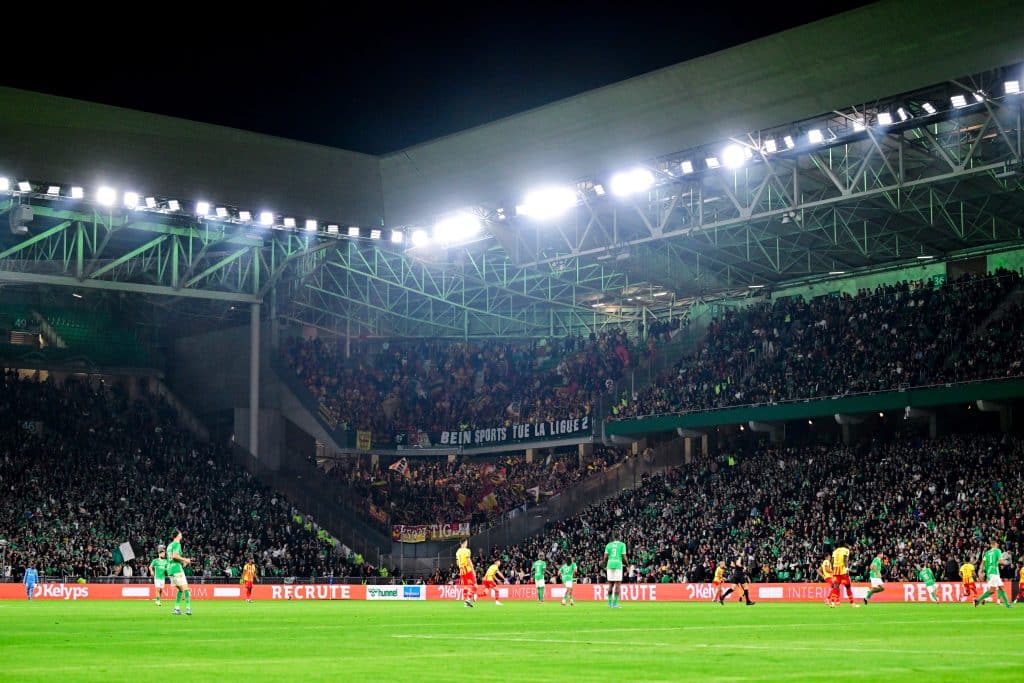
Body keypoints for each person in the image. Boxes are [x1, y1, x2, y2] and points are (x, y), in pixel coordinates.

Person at [974, 539, 1012, 608]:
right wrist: (1006, 562)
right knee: (992, 590)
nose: (997, 545)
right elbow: (1000, 561)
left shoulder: (987, 553)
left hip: (990, 573)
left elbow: (982, 563)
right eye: (997, 544)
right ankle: (978, 600)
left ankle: (1008, 605)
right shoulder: (998, 550)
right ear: (994, 545)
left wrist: (980, 571)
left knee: (1001, 588)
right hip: (994, 572)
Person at [166, 529, 193, 616]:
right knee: (186, 589)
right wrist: (185, 559)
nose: (181, 535)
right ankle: (188, 608)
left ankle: (176, 608)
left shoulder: (169, 545)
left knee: (181, 590)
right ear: (177, 535)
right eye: (180, 534)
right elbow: (175, 556)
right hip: (177, 569)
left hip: (170, 570)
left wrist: (182, 562)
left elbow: (172, 557)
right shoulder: (177, 544)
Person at [604, 531, 627, 609]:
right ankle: (615, 604)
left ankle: (609, 604)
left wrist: (605, 564)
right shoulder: (622, 545)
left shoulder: (608, 545)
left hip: (610, 564)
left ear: (614, 537)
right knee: (617, 584)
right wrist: (627, 564)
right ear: (619, 537)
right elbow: (624, 556)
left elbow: (605, 557)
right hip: (618, 564)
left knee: (610, 584)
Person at [455, 539, 477, 608]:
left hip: (462, 571)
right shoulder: (467, 550)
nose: (467, 544)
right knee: (475, 585)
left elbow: (457, 563)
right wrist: (473, 570)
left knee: (465, 587)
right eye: (466, 542)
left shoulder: (458, 551)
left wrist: (460, 568)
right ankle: (468, 599)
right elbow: (469, 560)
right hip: (467, 569)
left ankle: (465, 603)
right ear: (464, 543)